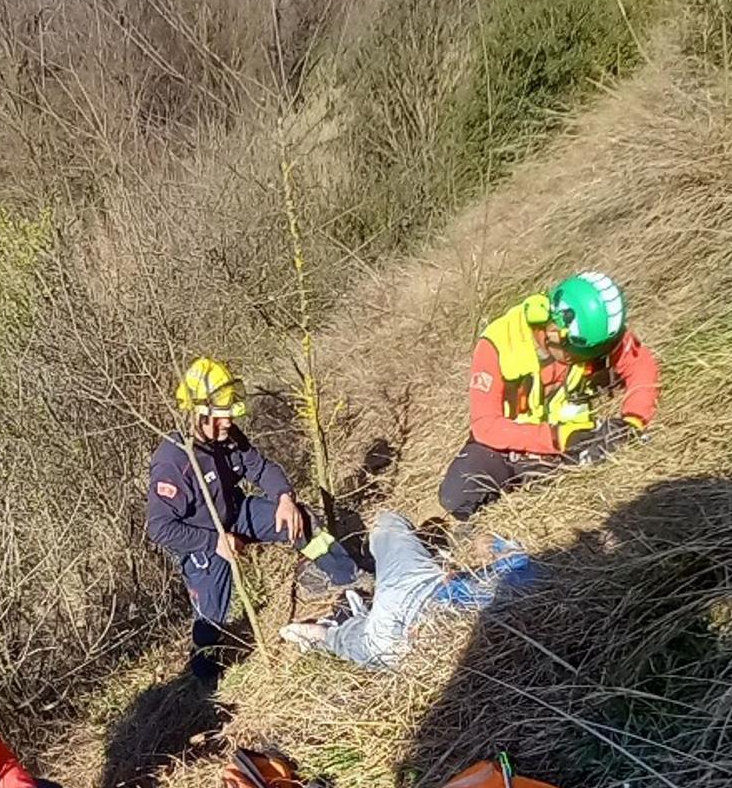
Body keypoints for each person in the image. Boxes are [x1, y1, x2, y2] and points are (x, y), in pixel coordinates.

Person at [147, 358, 361, 685]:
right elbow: (160, 527)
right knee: (210, 625)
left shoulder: (228, 436)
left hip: (238, 513)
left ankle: (350, 577)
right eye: (220, 419)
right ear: (196, 413)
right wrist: (215, 542)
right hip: (203, 542)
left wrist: (285, 498)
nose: (227, 425)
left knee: (300, 520)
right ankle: (208, 680)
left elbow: (260, 469)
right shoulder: (173, 462)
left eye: (230, 417)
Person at [439, 273, 661, 520]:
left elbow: (641, 364)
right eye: (581, 353)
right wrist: (557, 438)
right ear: (554, 334)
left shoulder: (593, 333)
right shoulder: (498, 343)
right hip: (509, 444)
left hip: (571, 439)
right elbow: (485, 426)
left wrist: (632, 421)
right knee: (457, 495)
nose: (588, 358)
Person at [280, 510, 533, 668]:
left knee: (387, 523)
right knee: (362, 643)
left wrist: (486, 545)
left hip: (414, 594)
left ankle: (325, 633)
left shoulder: (522, 575)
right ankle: (324, 634)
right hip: (410, 648)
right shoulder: (531, 588)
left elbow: (486, 543)